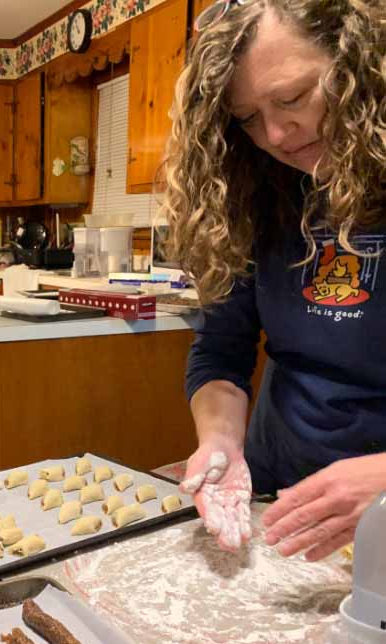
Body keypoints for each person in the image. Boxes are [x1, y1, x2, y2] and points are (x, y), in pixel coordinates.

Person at [162, 0, 386, 562]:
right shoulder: (262, 192)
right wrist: (219, 443)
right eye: (247, 118)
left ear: (359, 62)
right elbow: (221, 351)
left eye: (292, 98)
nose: (278, 135)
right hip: (274, 504)